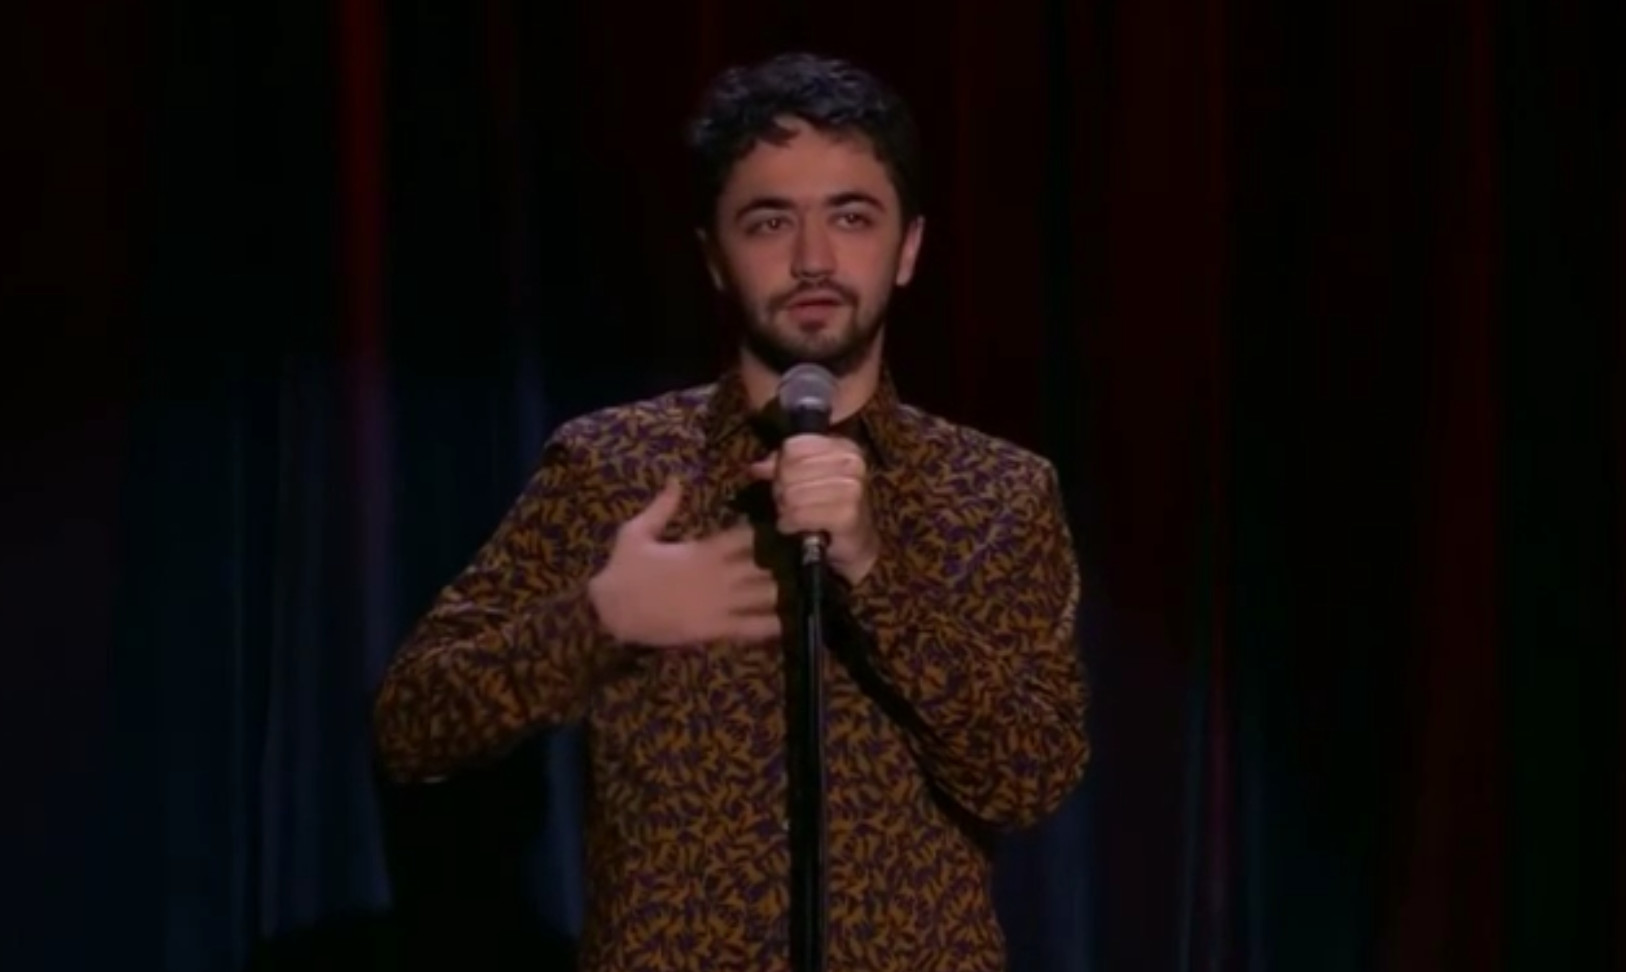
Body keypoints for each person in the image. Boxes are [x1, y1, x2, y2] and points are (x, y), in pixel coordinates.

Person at [373, 51, 1090, 972]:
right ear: (715, 257)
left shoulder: (994, 493)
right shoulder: (613, 469)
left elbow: (1030, 776)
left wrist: (876, 573)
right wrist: (596, 624)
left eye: (852, 216)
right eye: (769, 221)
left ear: (908, 248)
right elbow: (410, 727)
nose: (814, 259)